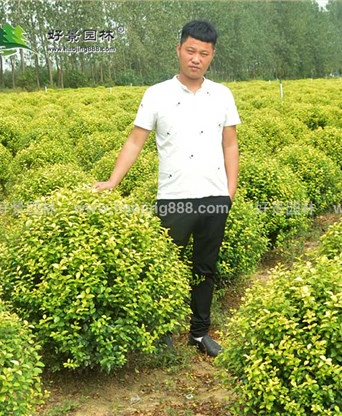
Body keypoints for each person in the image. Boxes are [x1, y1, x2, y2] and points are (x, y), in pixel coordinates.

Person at [94, 20, 240, 357]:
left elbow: (230, 144)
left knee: (206, 267)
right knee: (167, 265)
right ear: (179, 50)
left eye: (203, 53)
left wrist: (229, 191)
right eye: (190, 50)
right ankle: (162, 333)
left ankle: (200, 333)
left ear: (212, 56)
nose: (196, 59)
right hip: (174, 198)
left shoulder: (222, 95)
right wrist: (114, 181)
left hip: (214, 197)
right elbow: (135, 141)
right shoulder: (156, 94)